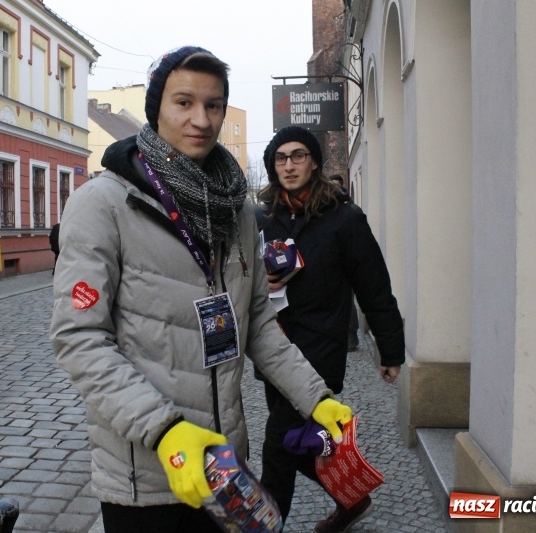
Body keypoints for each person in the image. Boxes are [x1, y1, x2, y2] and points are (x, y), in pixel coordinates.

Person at [50, 47, 353, 533]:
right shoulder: (102, 205)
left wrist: (314, 397)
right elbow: (79, 338)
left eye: (214, 105)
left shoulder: (234, 211)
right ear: (157, 109)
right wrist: (164, 431)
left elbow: (256, 323)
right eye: (184, 102)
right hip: (147, 476)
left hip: (226, 467)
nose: (202, 119)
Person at [256, 126, 405, 533]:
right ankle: (352, 498)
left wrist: (391, 349)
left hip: (319, 346)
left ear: (315, 162)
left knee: (277, 446)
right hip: (274, 346)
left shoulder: (344, 219)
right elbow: (240, 276)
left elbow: (374, 286)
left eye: (298, 156)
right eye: (281, 158)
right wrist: (259, 282)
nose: (289, 165)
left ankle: (263, 525)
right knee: (293, 440)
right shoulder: (262, 218)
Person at [328, 174, 360, 352]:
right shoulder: (324, 211)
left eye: (336, 187)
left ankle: (351, 335)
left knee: (347, 301)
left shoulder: (352, 211)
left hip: (349, 264)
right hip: (331, 265)